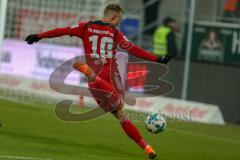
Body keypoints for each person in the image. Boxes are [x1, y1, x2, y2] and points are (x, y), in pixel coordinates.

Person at [25, 3, 173, 160]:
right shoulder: (115, 33)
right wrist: (157, 58)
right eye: (119, 20)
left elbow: (61, 30)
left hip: (94, 84)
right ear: (113, 17)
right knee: (121, 107)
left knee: (119, 114)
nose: (119, 22)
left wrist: (39, 36)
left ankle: (148, 148)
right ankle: (146, 147)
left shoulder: (85, 26)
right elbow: (133, 48)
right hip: (108, 77)